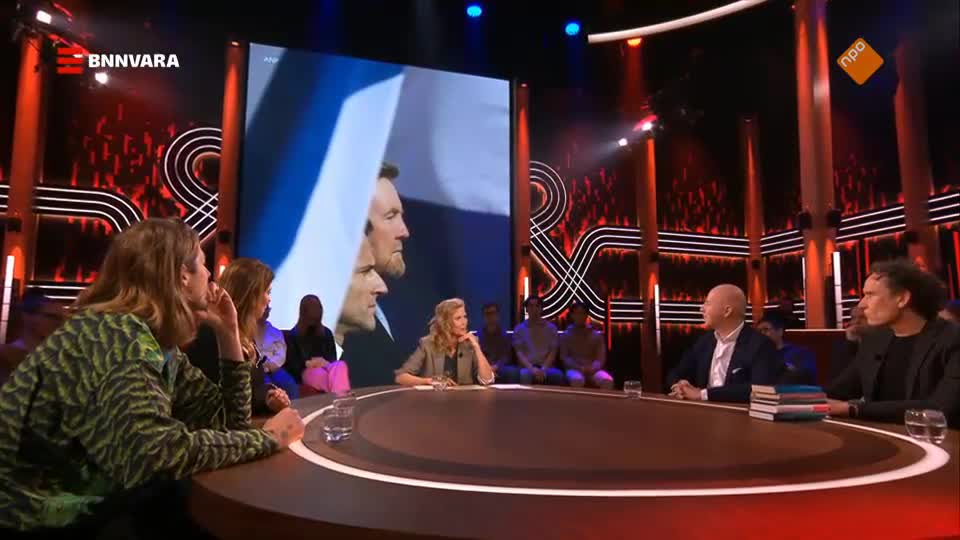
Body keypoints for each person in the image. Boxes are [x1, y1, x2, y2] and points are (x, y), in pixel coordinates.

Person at [0, 218, 303, 537]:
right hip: (30, 518)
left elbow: (229, 422)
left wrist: (228, 333)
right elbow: (154, 456)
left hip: (83, 507)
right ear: (183, 276)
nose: (211, 275)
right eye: (203, 263)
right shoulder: (115, 335)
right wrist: (270, 438)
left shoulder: (156, 343)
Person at [826, 260, 960, 426]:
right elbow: (839, 391)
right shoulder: (875, 340)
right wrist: (799, 399)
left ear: (902, 298)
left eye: (870, 295)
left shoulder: (952, 339)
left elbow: (941, 409)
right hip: (883, 437)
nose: (862, 304)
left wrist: (853, 409)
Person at [185, 258, 292, 415]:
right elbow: (225, 404)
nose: (269, 300)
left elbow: (252, 388)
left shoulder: (244, 333)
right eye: (267, 292)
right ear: (250, 294)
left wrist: (269, 395)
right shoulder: (212, 335)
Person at [341, 162, 410, 387]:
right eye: (390, 216)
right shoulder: (339, 322)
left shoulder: (389, 310)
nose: (405, 232)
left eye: (401, 216)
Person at [666, 284, 784, 403]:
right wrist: (678, 387)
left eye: (707, 303)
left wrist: (703, 394)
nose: (701, 309)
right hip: (703, 411)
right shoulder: (704, 341)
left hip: (738, 412)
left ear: (727, 311)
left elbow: (758, 388)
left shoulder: (761, 345)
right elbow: (677, 372)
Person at [394, 298, 495, 386]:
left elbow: (487, 380)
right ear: (445, 322)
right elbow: (401, 377)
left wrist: (476, 347)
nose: (464, 322)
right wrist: (429, 381)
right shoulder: (427, 344)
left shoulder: (470, 344)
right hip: (434, 400)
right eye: (458, 318)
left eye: (465, 317)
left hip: (464, 400)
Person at [283, 295, 348, 394]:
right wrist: (310, 363)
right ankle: (342, 398)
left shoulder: (326, 333)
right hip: (307, 372)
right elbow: (293, 367)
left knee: (340, 365)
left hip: (327, 368)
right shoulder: (292, 336)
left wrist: (324, 363)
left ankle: (340, 399)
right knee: (324, 376)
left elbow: (332, 359)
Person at [0, 293, 65, 385]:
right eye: (53, 317)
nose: (61, 323)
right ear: (27, 317)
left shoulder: (59, 357)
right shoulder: (5, 356)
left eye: (63, 318)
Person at [512, 296, 565, 385]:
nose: (534, 309)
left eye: (537, 306)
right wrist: (532, 369)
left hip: (546, 366)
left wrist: (543, 369)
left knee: (557, 375)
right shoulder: (519, 329)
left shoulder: (551, 328)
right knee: (525, 375)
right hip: (527, 367)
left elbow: (553, 352)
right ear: (527, 309)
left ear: (541, 309)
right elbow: (519, 353)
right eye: (531, 306)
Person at [559, 301, 613, 389]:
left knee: (607, 380)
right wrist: (580, 368)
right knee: (577, 380)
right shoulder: (565, 335)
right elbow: (565, 358)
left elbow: (600, 358)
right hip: (574, 369)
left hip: (594, 370)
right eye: (577, 313)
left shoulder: (597, 336)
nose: (580, 316)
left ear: (587, 315)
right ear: (572, 315)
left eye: (583, 313)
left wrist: (592, 368)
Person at [756, 312, 817, 385]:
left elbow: (808, 377)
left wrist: (784, 367)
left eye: (765, 329)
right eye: (759, 331)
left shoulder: (801, 352)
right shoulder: (757, 356)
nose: (762, 334)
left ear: (780, 331)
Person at [255, 304, 300, 398]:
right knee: (266, 386)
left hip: (274, 368)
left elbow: (281, 354)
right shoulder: (248, 330)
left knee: (291, 385)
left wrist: (270, 366)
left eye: (267, 309)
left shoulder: (276, 333)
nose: (265, 312)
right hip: (256, 370)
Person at [478, 302, 519, 383]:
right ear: (484, 316)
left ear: (497, 315)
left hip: (500, 367)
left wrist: (495, 367)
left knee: (512, 372)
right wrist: (487, 368)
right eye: (487, 313)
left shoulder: (504, 335)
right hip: (484, 366)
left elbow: (506, 357)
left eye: (493, 313)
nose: (490, 316)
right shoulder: (479, 336)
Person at [829, 305, 868, 381]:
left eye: (862, 317)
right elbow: (838, 378)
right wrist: (850, 343)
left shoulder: (881, 345)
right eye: (853, 318)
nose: (856, 322)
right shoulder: (841, 347)